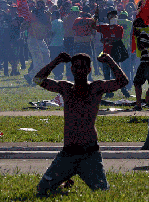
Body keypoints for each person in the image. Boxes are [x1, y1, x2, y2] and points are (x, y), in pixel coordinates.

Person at [32, 51, 128, 196]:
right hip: (68, 154)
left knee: (102, 192)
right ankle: (64, 179)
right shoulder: (66, 88)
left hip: (90, 154)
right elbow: (38, 79)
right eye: (76, 67)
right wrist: (56, 61)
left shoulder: (96, 88)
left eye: (83, 67)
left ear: (89, 70)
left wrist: (109, 60)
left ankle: (65, 178)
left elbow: (123, 82)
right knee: (42, 190)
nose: (79, 71)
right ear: (71, 69)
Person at [95, 10, 130, 98]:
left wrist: (107, 40)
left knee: (117, 73)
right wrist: (95, 16)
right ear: (108, 18)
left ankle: (124, 91)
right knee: (106, 74)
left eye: (115, 16)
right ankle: (108, 92)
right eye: (111, 16)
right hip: (106, 53)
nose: (113, 18)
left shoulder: (119, 28)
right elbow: (93, 26)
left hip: (114, 54)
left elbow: (118, 38)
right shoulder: (104, 27)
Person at [131, 17, 149, 111]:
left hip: (146, 61)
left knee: (137, 83)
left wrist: (138, 37)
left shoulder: (142, 33)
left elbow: (142, 46)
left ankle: (138, 104)